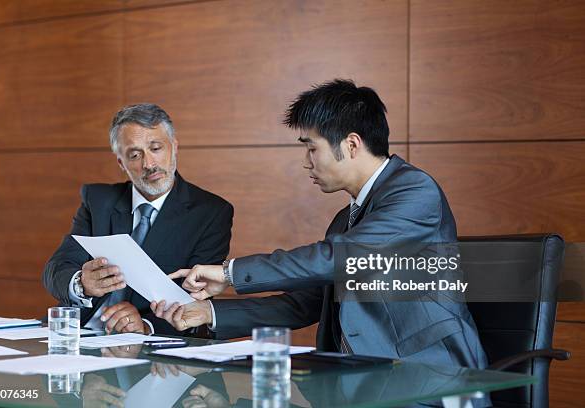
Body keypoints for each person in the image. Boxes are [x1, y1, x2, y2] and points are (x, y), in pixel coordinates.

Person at [151, 79, 488, 372]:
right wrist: (207, 313)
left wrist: (230, 274)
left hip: (427, 376)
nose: (306, 162)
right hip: (362, 377)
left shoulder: (415, 192)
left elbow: (341, 256)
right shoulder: (345, 219)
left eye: (312, 148)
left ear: (351, 145)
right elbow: (305, 303)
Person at [43, 103, 233, 335]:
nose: (149, 164)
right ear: (121, 163)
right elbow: (56, 269)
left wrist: (146, 326)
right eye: (134, 155)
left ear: (174, 147)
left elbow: (196, 302)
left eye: (156, 148)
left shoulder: (211, 212)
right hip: (80, 333)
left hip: (153, 344)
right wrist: (81, 283)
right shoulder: (98, 200)